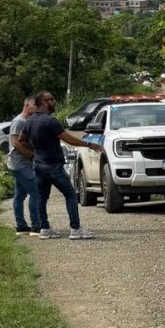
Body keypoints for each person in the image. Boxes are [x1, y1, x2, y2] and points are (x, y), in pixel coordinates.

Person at [20, 91, 101, 240]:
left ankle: (44, 229)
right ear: (43, 103)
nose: (54, 101)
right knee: (70, 194)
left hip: (38, 165)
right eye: (50, 99)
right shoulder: (51, 121)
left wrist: (36, 150)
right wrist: (89, 144)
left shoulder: (29, 121)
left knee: (41, 197)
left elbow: (21, 139)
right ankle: (76, 229)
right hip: (53, 166)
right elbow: (68, 139)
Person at [8, 97, 41, 236]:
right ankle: (37, 226)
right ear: (27, 105)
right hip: (19, 164)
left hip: (23, 163)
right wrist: (32, 155)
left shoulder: (27, 121)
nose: (36, 108)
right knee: (36, 193)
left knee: (20, 195)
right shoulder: (19, 121)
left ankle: (21, 226)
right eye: (34, 105)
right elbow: (16, 143)